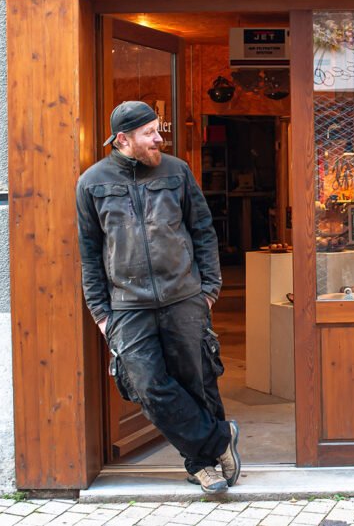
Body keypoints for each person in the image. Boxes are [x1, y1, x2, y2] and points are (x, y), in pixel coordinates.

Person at [75, 100, 240, 494]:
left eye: (157, 129)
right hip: (127, 305)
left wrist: (210, 290)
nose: (158, 138)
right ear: (123, 139)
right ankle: (219, 440)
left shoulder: (177, 171)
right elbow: (89, 252)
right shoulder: (92, 183)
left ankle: (202, 466)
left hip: (184, 296)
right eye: (149, 133)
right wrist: (100, 312)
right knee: (147, 385)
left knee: (197, 380)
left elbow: (203, 230)